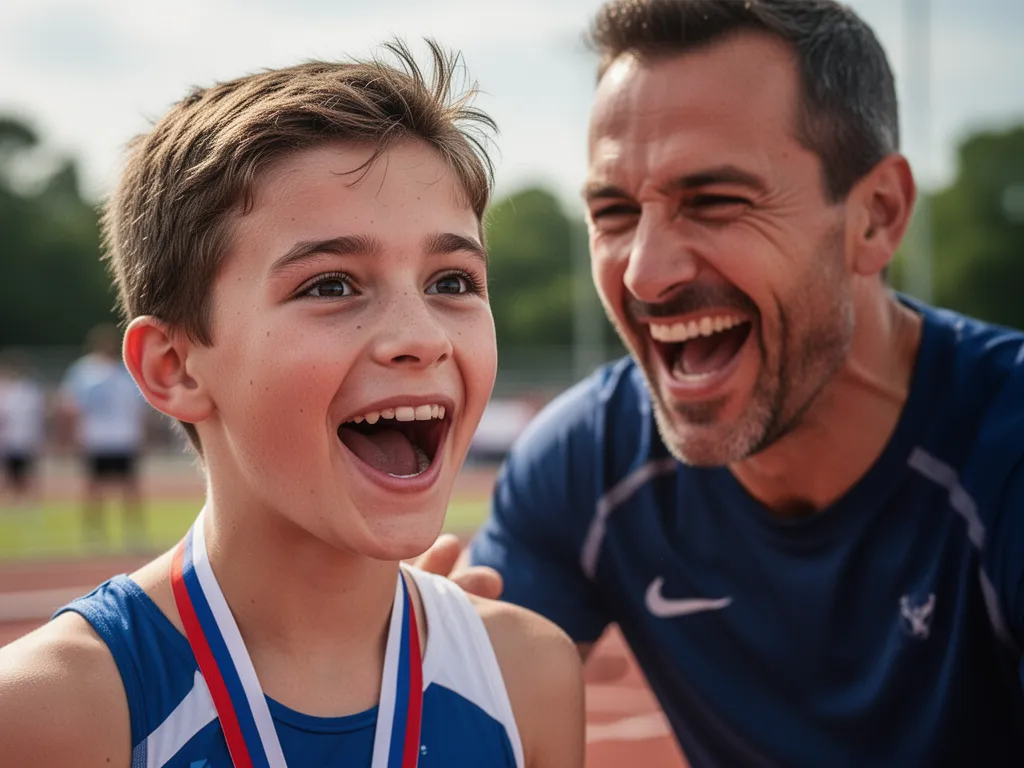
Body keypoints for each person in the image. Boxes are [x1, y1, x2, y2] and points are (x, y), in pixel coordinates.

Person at [429, 1, 1024, 765]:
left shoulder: (1003, 459)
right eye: (613, 212)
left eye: (714, 201)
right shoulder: (590, 463)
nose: (644, 270)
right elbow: (468, 727)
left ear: (876, 216)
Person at [0, 41, 583, 767]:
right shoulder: (48, 714)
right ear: (175, 367)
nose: (422, 336)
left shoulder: (527, 679)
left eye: (453, 281)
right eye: (331, 285)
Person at [59, 322, 151, 548]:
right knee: (94, 487)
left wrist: (144, 434)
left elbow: (139, 408)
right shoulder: (85, 372)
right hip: (98, 437)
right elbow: (72, 407)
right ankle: (95, 532)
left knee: (129, 487)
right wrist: (70, 437)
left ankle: (132, 532)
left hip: (122, 436)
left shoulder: (125, 372)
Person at [0, 349, 47, 509]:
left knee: (26, 471)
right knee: (10, 472)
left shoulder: (30, 390)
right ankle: (13, 501)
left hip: (26, 437)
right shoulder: (4, 389)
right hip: (9, 438)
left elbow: (38, 414)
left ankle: (27, 501)